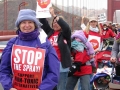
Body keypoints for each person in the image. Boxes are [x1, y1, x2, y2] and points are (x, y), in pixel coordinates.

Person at [0, 9, 60, 90]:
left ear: (35, 24)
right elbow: (3, 70)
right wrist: (9, 87)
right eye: (23, 22)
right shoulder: (12, 43)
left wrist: (42, 88)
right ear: (19, 25)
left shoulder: (45, 44)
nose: (27, 25)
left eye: (30, 22)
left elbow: (54, 72)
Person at [39, 7, 72, 90]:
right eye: (53, 22)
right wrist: (43, 9)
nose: (55, 24)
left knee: (61, 88)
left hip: (61, 66)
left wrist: (54, 15)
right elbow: (43, 21)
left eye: (57, 22)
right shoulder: (50, 32)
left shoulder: (65, 34)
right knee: (50, 87)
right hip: (49, 65)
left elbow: (66, 27)